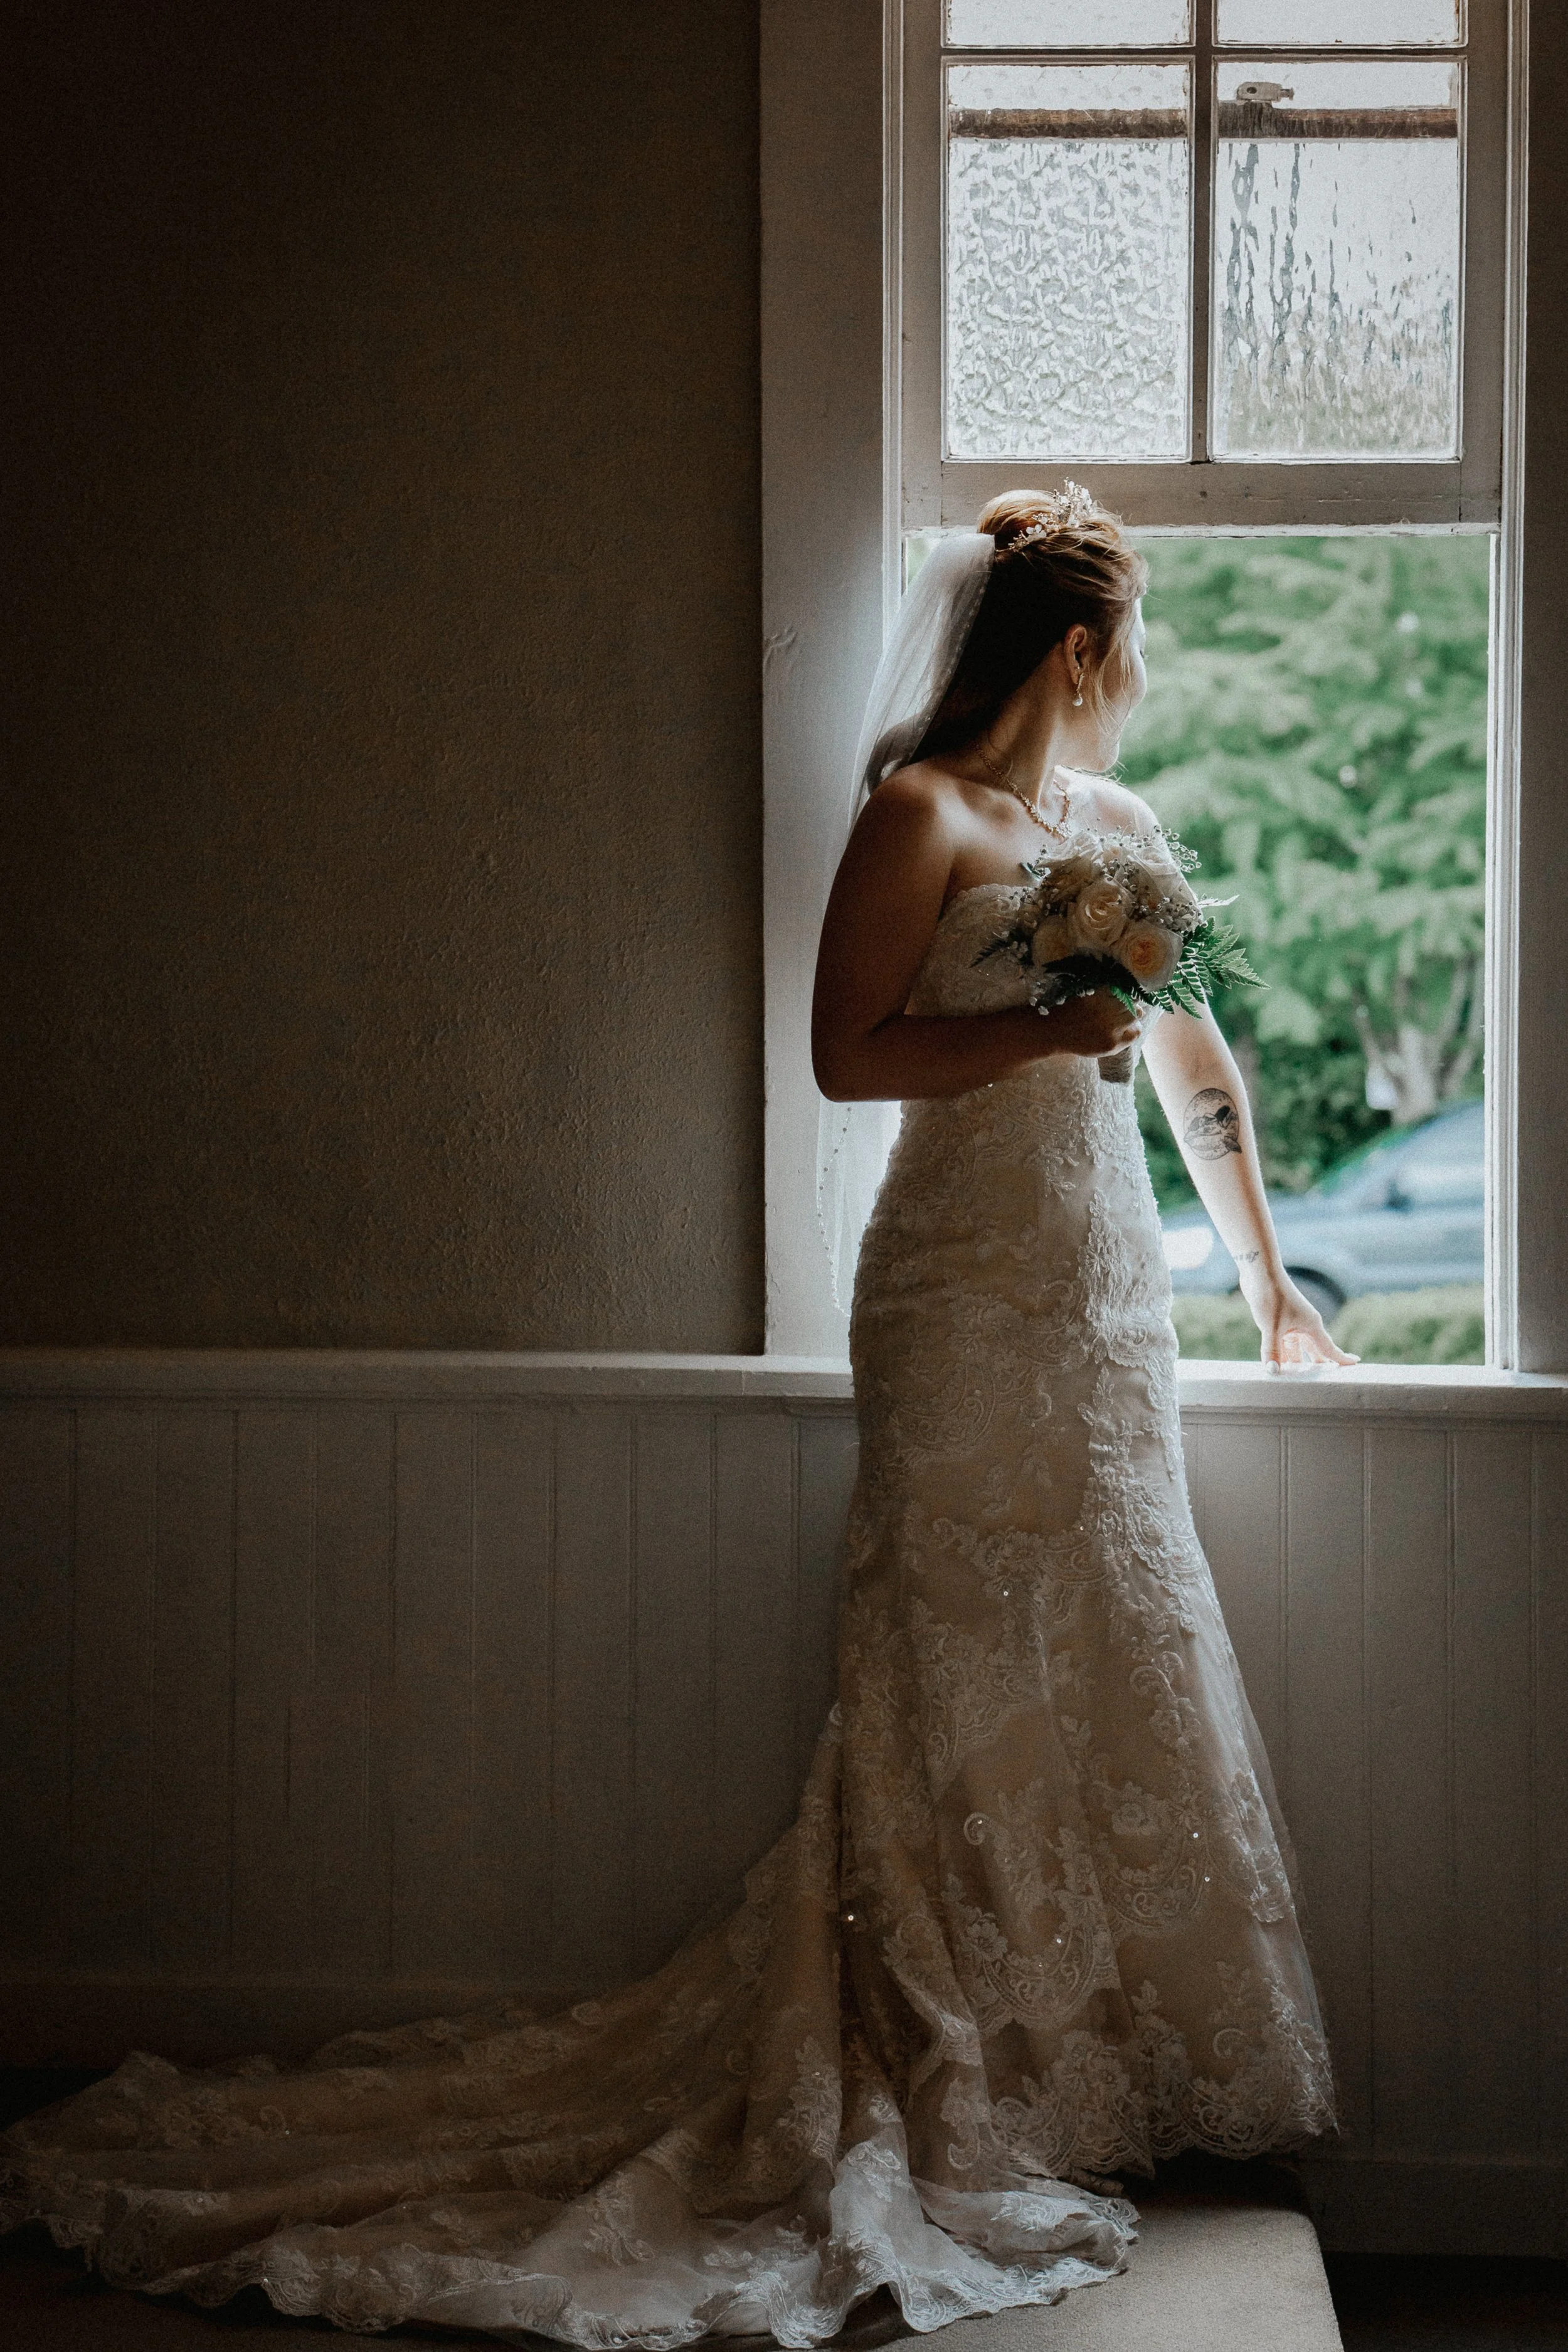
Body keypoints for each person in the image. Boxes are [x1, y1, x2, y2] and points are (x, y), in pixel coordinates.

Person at [0, 488, 1340, 2344]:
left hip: (1105, 1297)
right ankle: (953, 2051)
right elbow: (845, 1050)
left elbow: (1194, 1063)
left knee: (1111, 1628)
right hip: (956, 1291)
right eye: (1130, 640)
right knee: (955, 1645)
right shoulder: (916, 813)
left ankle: (1086, 2065)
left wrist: (1268, 1281)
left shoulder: (1114, 828)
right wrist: (1043, 1027)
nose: (1141, 673)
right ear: (1071, 648)